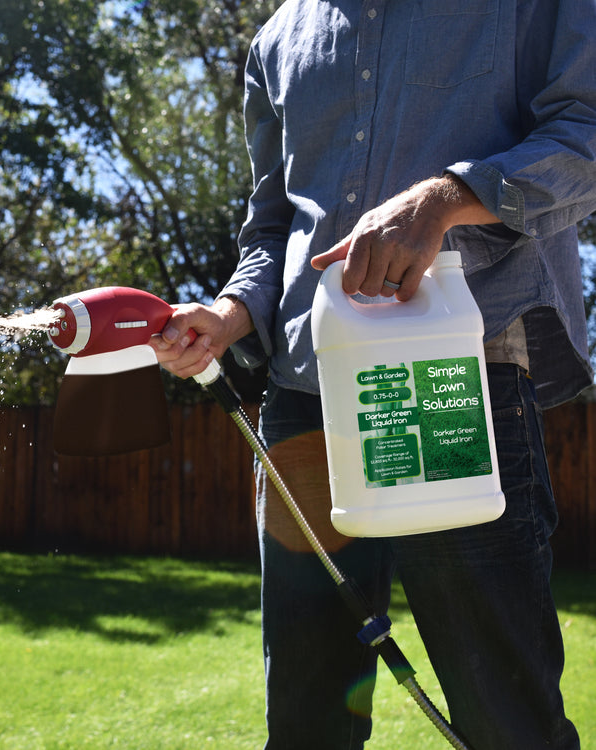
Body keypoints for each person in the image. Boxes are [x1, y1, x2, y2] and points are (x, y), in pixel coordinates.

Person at [149, 1, 596, 748]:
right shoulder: (277, 40)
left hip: (458, 376)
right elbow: (270, 226)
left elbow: (584, 133)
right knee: (306, 720)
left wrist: (445, 199)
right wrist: (230, 312)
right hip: (304, 397)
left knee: (506, 718)